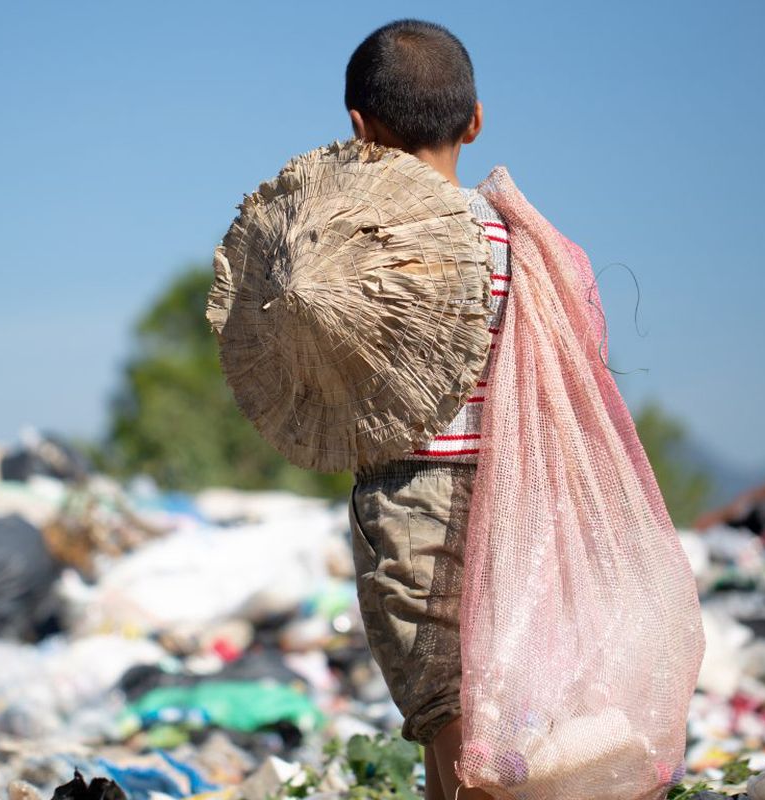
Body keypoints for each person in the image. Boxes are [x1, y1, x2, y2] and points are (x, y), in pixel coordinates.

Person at [341, 19, 507, 800]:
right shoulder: (515, 241)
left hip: (413, 498)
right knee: (475, 708)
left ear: (358, 129)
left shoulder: (359, 245)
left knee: (452, 725)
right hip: (511, 496)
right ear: (474, 121)